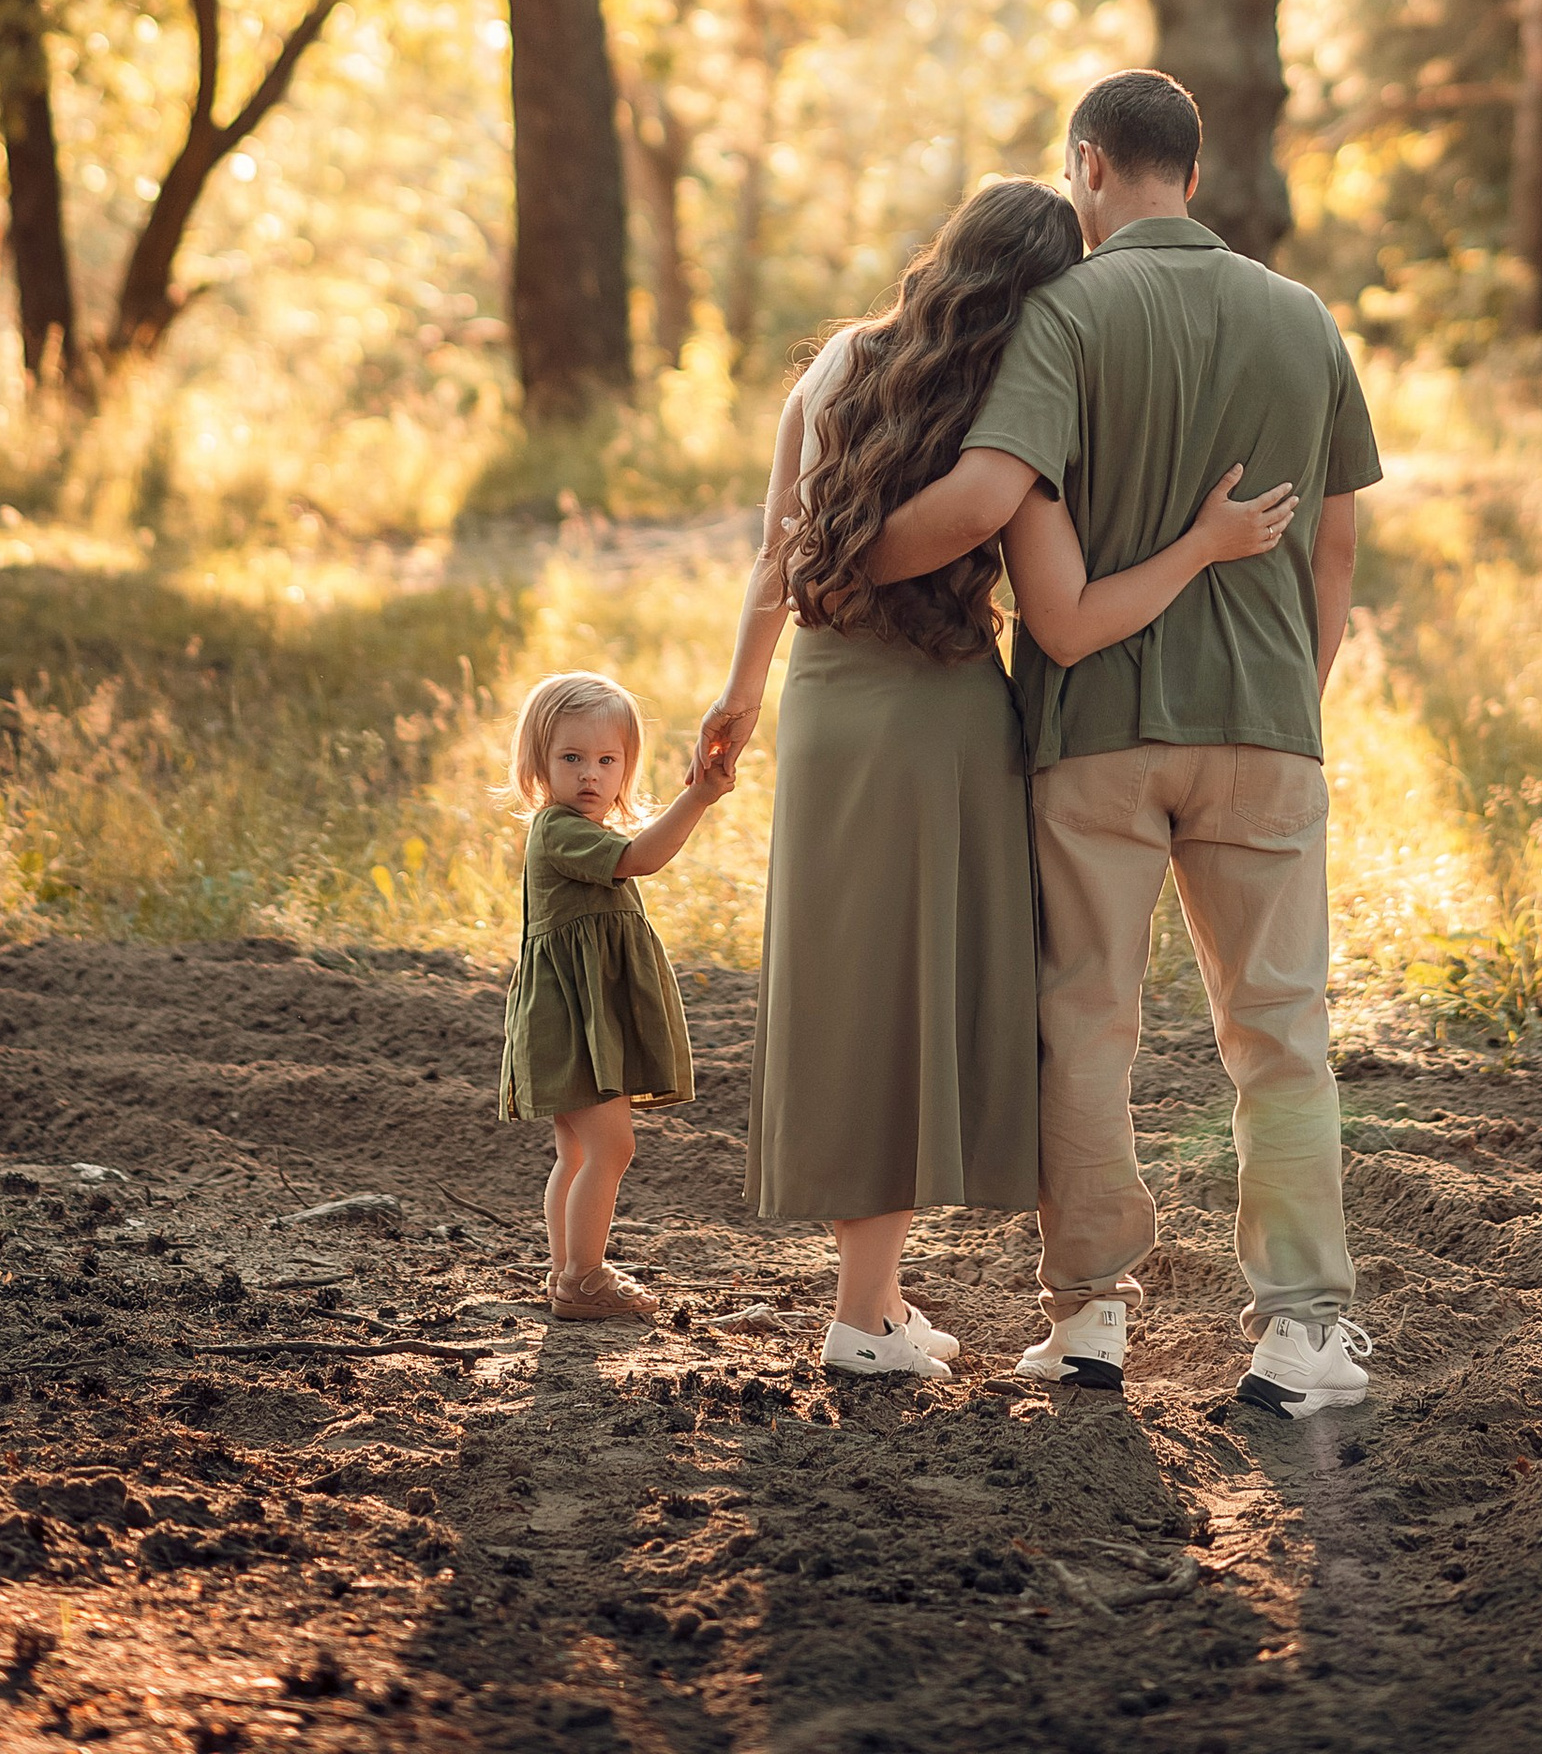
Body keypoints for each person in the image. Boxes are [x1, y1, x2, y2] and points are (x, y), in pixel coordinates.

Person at [697, 177, 1295, 1384]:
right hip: (943, 715)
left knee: (853, 987)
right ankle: (864, 1317)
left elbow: (778, 548)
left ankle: (872, 1299)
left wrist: (742, 691)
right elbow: (1067, 617)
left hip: (825, 699)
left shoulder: (837, 366)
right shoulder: (1006, 424)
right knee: (918, 997)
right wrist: (1202, 544)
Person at [867, 68, 1382, 1419]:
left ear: (1090, 167)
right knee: (1278, 1033)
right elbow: (1335, 542)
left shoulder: (1063, 317)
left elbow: (1001, 499)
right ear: (1193, 176)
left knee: (1085, 1021)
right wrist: (1296, 695)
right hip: (1265, 728)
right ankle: (1301, 1336)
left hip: (1093, 729)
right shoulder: (1302, 319)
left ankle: (1091, 1318)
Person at [498, 666, 732, 1323]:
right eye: (571, 758)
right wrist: (699, 799)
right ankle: (582, 1277)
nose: (590, 776)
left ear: (627, 766)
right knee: (611, 1147)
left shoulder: (576, 830)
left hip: (573, 1021)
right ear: (540, 762)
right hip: (572, 1023)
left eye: (608, 759)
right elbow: (642, 858)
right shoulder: (560, 829)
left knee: (575, 1152)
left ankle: (570, 1272)